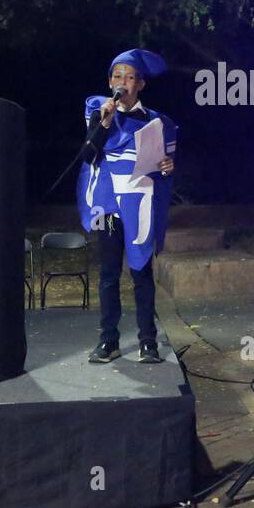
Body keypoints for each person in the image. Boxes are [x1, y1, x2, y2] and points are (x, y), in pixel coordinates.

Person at [77, 49, 177, 364]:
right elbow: (89, 156)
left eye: (130, 77)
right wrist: (104, 123)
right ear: (110, 81)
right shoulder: (97, 111)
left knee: (141, 273)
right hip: (107, 205)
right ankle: (108, 341)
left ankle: (148, 341)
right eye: (117, 76)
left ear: (141, 84)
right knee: (108, 273)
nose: (123, 82)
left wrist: (166, 166)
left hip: (139, 203)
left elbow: (166, 167)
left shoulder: (159, 122)